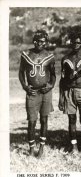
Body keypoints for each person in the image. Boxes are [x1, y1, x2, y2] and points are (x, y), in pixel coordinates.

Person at [18, 30, 56, 158]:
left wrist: (50, 85)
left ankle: (41, 148)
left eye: (43, 41)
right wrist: (25, 87)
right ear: (34, 41)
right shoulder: (26, 54)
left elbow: (53, 75)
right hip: (32, 92)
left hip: (45, 93)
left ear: (46, 42)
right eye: (38, 41)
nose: (41, 43)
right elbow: (21, 73)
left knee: (44, 120)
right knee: (32, 121)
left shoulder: (50, 56)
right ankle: (31, 149)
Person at [59, 26, 81, 154]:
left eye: (79, 42)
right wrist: (61, 97)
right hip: (69, 91)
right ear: (70, 42)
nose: (76, 44)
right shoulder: (65, 59)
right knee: (71, 119)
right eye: (74, 42)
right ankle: (74, 147)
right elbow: (62, 80)